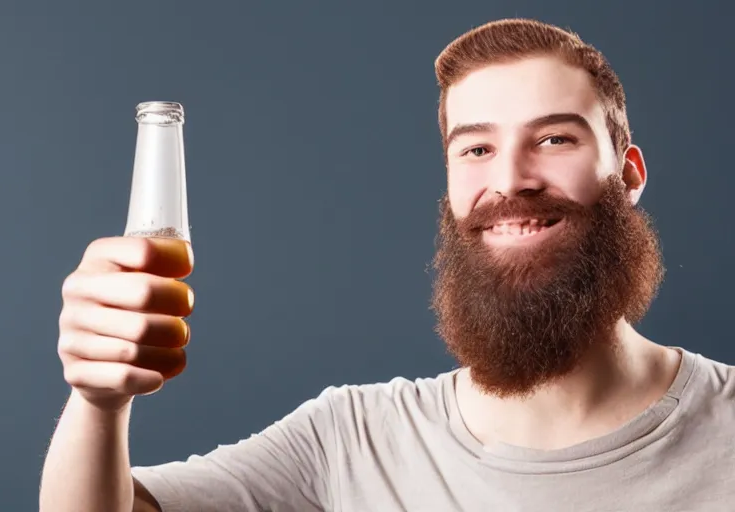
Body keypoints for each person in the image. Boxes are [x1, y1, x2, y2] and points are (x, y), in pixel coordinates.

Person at [39, 18, 735, 512]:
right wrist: (99, 404)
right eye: (476, 149)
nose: (512, 179)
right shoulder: (352, 440)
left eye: (553, 138)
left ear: (629, 172)